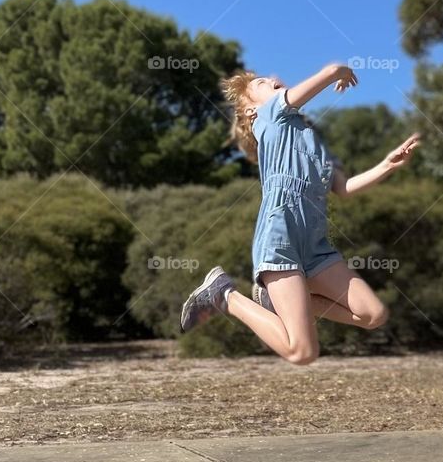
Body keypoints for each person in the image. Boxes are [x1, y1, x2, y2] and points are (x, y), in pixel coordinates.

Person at [179, 62, 420, 365]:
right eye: (263, 83)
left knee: (374, 314)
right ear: (252, 111)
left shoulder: (315, 144)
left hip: (316, 246)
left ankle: (274, 299)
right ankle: (225, 296)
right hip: (281, 236)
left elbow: (344, 188)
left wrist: (386, 165)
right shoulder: (269, 118)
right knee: (302, 352)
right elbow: (328, 74)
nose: (275, 79)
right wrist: (338, 71)